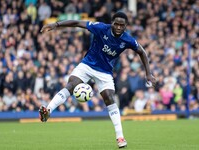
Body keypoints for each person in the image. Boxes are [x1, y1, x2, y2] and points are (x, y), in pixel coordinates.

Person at [39, 11, 156, 148]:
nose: (118, 27)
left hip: (105, 72)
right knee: (71, 85)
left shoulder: (128, 40)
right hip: (87, 65)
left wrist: (148, 73)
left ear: (126, 26)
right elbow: (78, 23)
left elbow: (141, 51)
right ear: (111, 23)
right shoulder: (101, 28)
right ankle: (48, 111)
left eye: (121, 25)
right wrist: (56, 24)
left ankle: (120, 137)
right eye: (116, 24)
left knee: (109, 98)